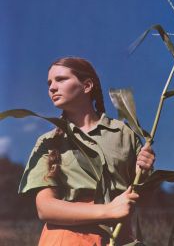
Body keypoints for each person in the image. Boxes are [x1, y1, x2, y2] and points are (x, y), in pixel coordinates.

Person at [18, 57, 155, 246]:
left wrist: (146, 169)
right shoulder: (48, 141)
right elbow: (45, 208)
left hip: (118, 238)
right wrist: (108, 210)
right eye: (49, 83)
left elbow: (140, 197)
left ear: (87, 85)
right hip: (64, 240)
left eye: (61, 79)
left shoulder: (124, 133)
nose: (52, 87)